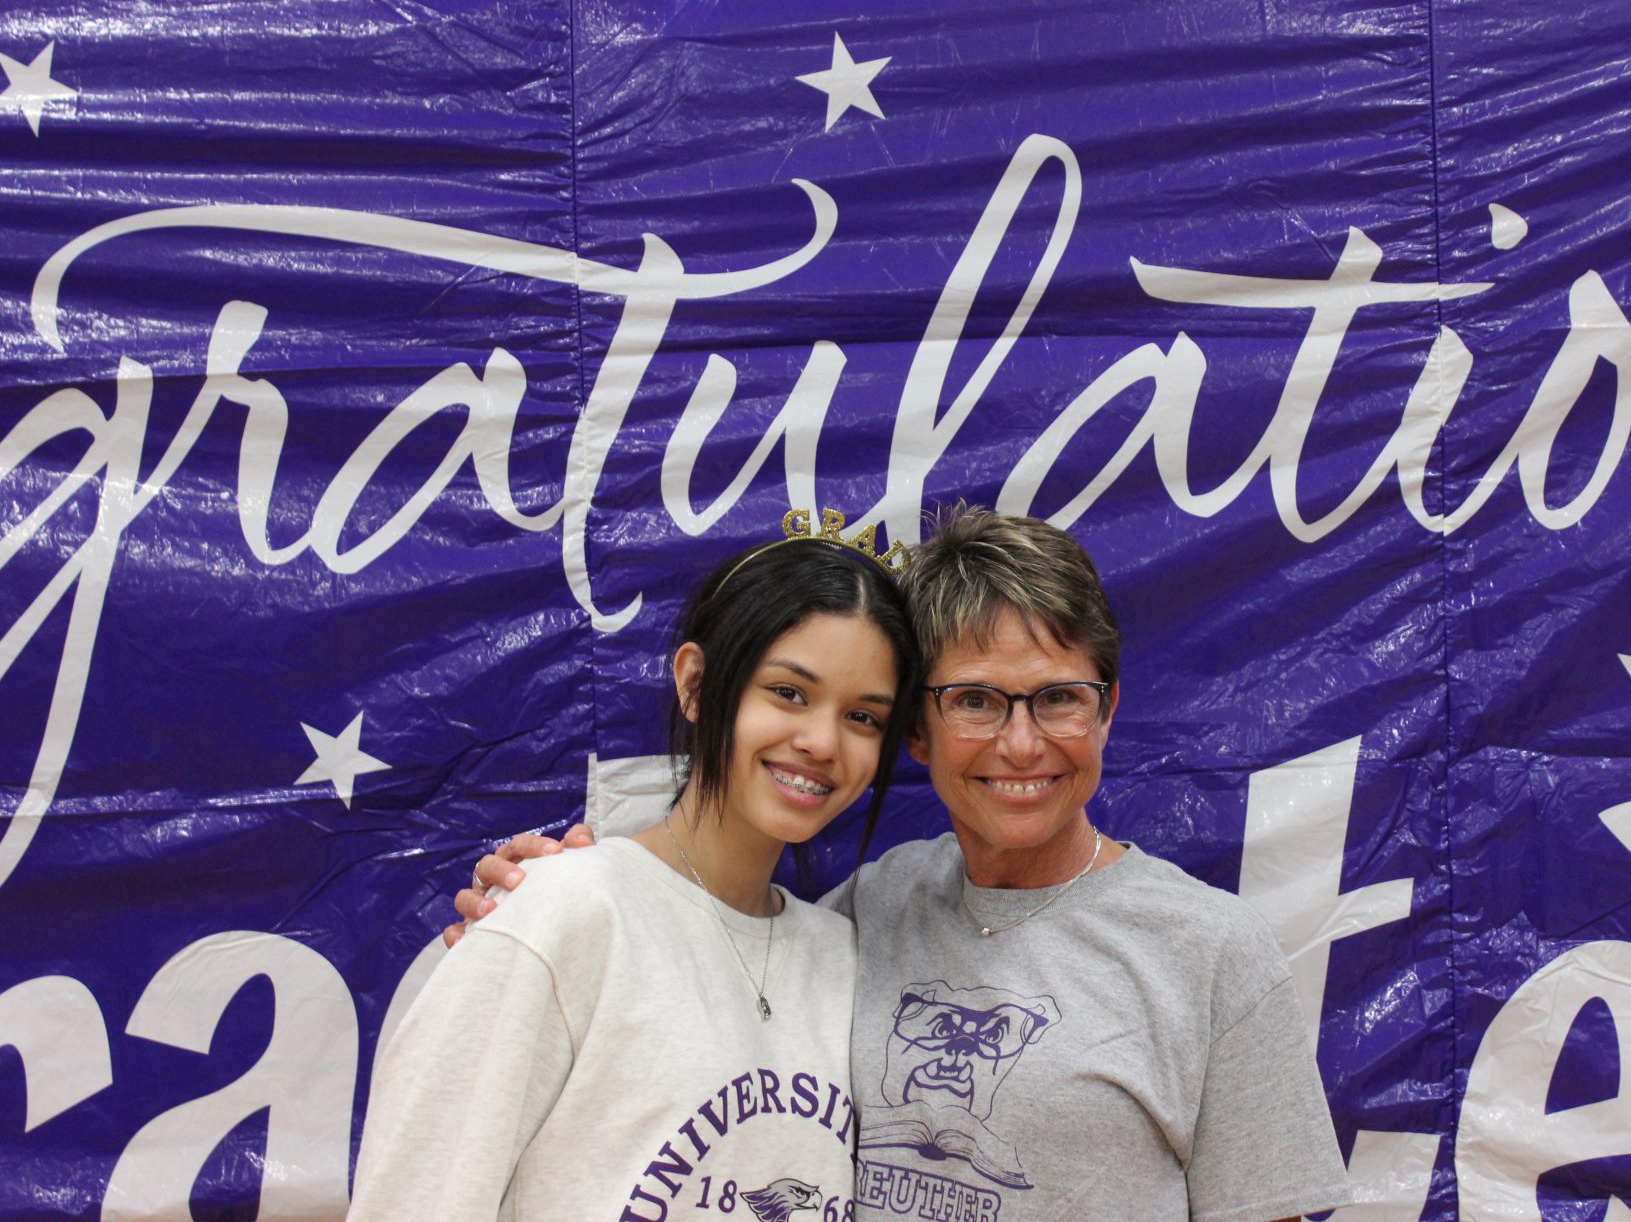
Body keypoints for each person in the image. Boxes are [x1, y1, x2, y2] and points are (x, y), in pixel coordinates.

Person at [454, 507, 1351, 1222]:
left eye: (1058, 698)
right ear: (915, 733)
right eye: (976, 701)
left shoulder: (1211, 952)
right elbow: (704, 958)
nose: (1021, 743)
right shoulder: (866, 909)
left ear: (1107, 710)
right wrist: (553, 907)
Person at [352, 532, 919, 1222]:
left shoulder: (848, 959)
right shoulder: (560, 911)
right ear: (696, 684)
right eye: (788, 692)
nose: (823, 742)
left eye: (863, 717)